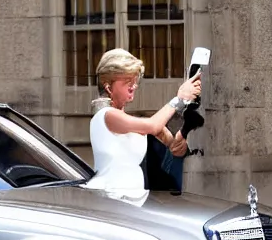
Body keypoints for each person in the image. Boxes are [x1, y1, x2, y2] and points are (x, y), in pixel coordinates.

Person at [84, 48, 202, 203]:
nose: (134, 86)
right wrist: (179, 99)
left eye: (135, 81)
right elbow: (153, 125)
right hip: (113, 200)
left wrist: (178, 144)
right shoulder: (106, 115)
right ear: (108, 87)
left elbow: (166, 139)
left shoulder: (131, 122)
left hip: (134, 201)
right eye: (128, 82)